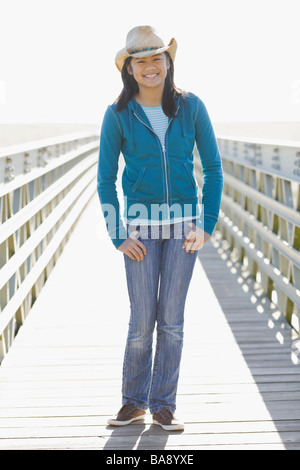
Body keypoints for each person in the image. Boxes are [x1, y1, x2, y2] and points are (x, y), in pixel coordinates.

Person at [97, 25, 223, 431]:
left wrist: (205, 225)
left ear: (168, 63)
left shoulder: (192, 106)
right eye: (141, 61)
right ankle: (133, 402)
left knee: (172, 319)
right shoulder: (117, 114)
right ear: (129, 69)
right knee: (142, 321)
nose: (150, 67)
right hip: (141, 232)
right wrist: (119, 235)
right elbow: (104, 180)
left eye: (157, 58)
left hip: (184, 228)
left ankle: (164, 405)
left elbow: (215, 169)